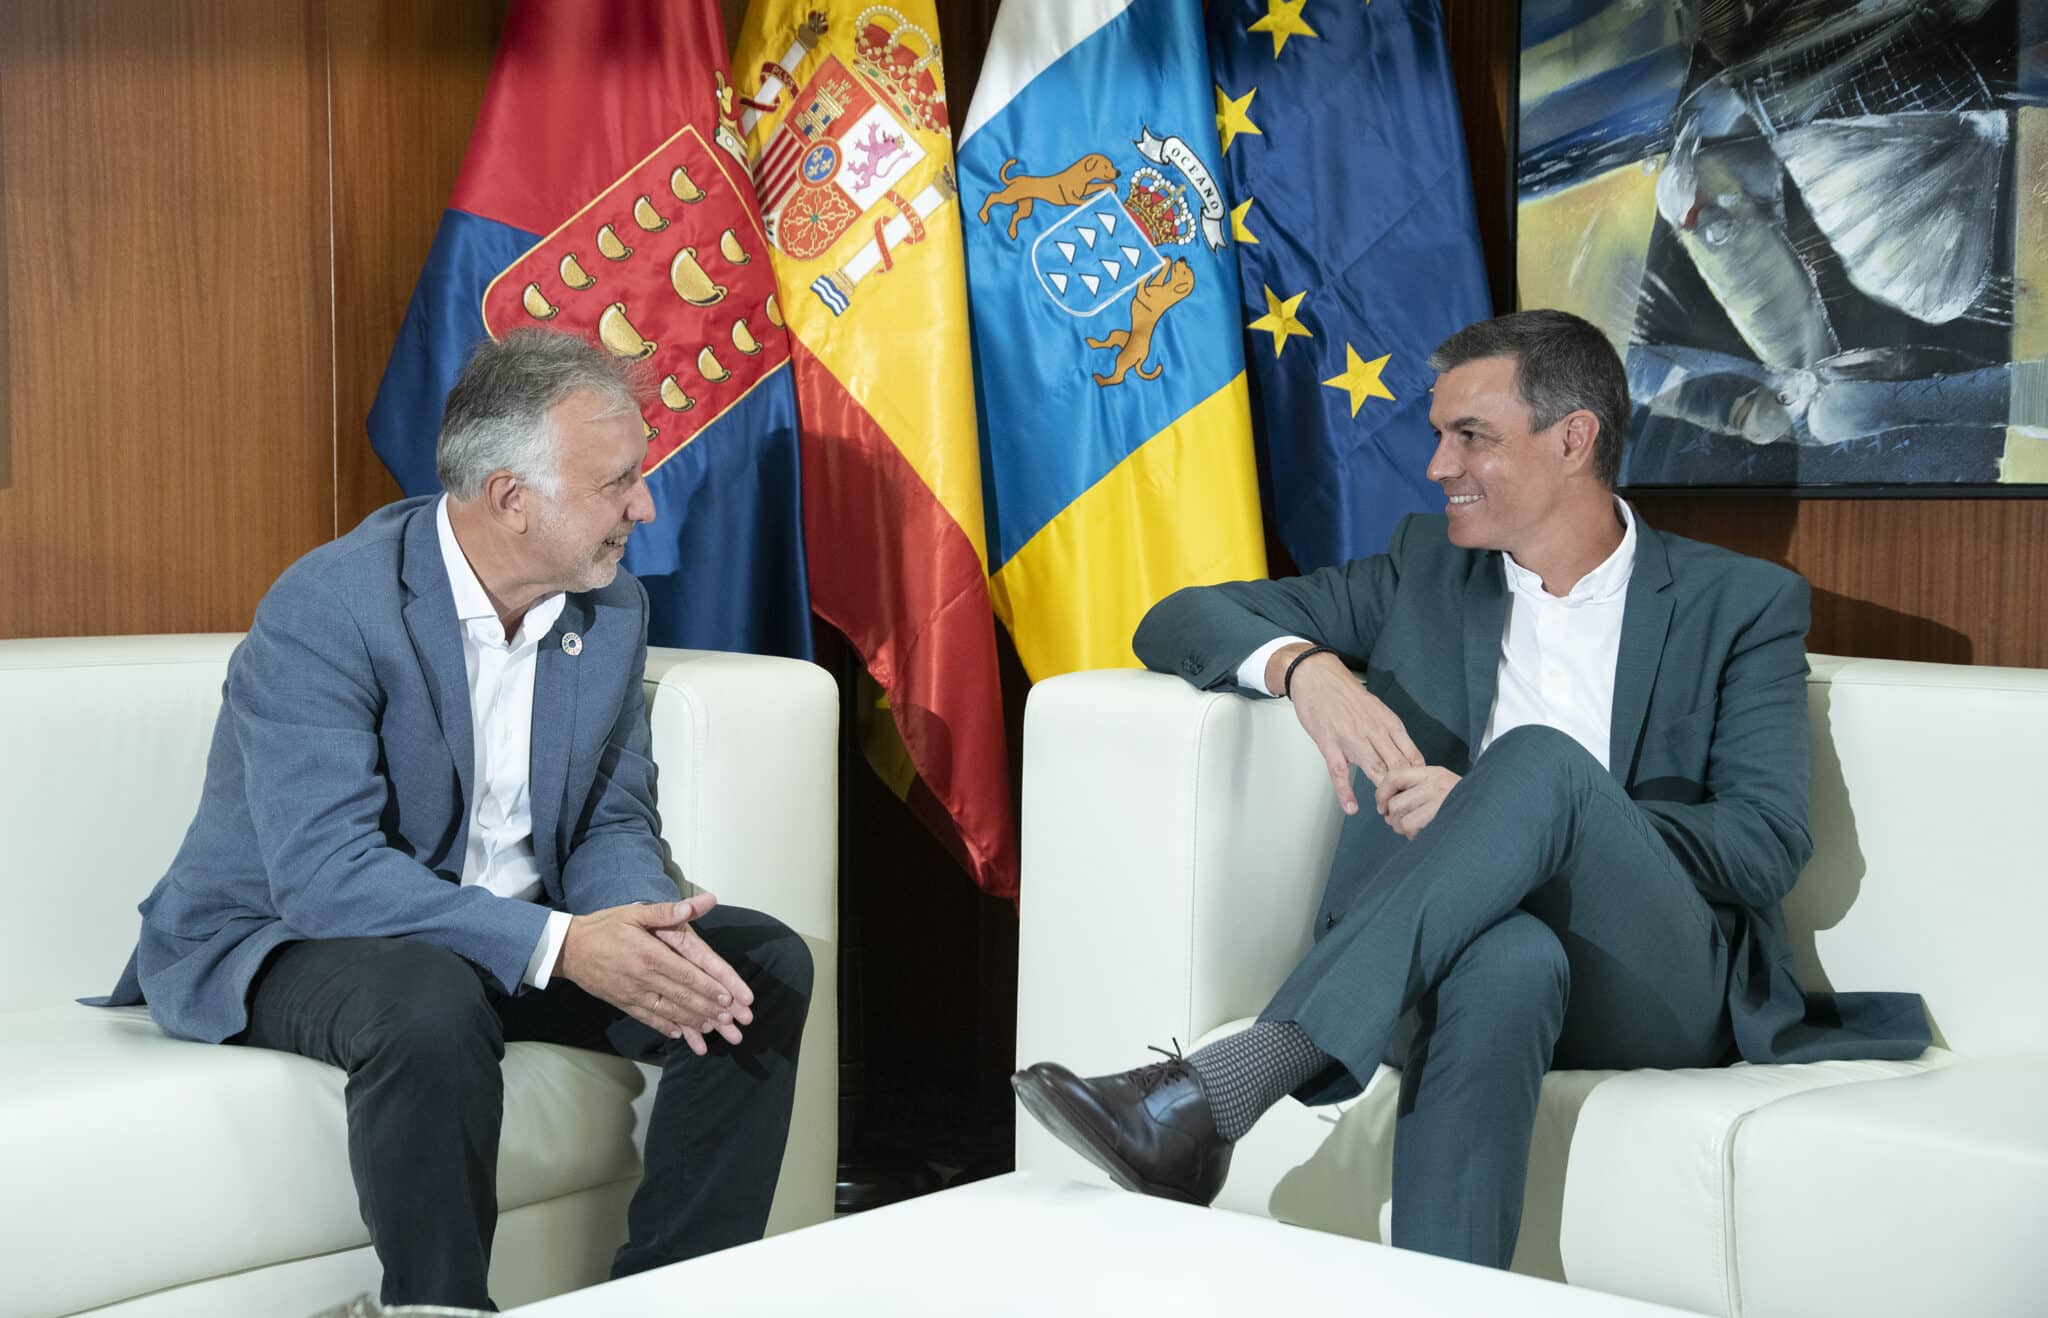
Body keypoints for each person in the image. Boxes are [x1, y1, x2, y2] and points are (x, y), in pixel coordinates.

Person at [1012, 309, 1927, 1268]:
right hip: (1444, 956)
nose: (1439, 466)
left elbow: (1763, 844)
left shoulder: (1739, 603)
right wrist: (1307, 670)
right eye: (1440, 435)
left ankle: (1230, 1082)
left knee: (1535, 766)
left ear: (1574, 439)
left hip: (1654, 971)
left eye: (1471, 437)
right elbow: (1177, 618)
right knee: (1509, 957)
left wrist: (1548, 815)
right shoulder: (1426, 571)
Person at [96, 330, 812, 1308]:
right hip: (287, 936)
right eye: (616, 483)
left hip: (501, 935)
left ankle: (666, 1298)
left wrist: (645, 927)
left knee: (753, 968)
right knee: (428, 996)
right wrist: (562, 945)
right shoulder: (332, 605)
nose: (642, 506)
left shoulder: (607, 609)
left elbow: (610, 818)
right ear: (512, 499)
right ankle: (435, 1302)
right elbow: (325, 874)